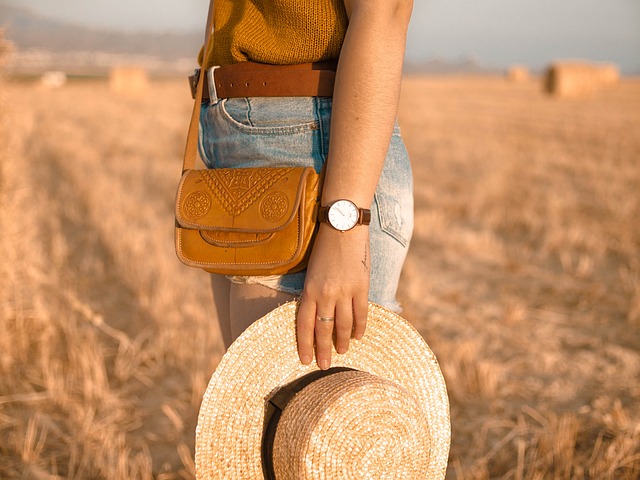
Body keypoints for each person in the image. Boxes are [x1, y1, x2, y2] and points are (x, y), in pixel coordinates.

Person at [198, 0, 414, 371]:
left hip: (314, 151)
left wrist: (344, 223)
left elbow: (384, 8)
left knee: (315, 418)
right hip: (240, 134)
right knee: (261, 414)